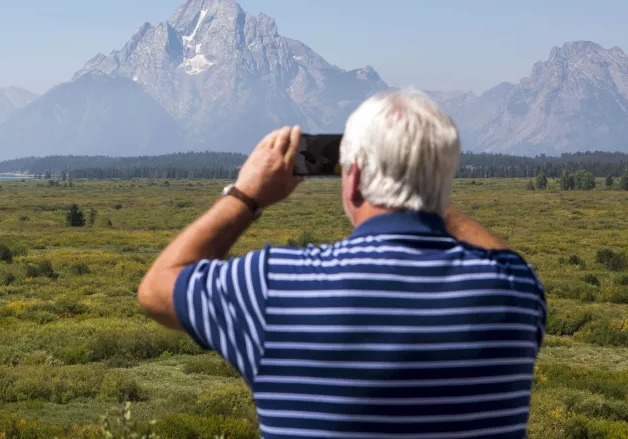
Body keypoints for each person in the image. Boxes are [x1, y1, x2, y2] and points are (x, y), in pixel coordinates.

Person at [138, 89, 546, 439]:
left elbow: (157, 288)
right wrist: (422, 187)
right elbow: (503, 257)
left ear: (352, 180)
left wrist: (247, 194)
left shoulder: (275, 285)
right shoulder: (515, 291)